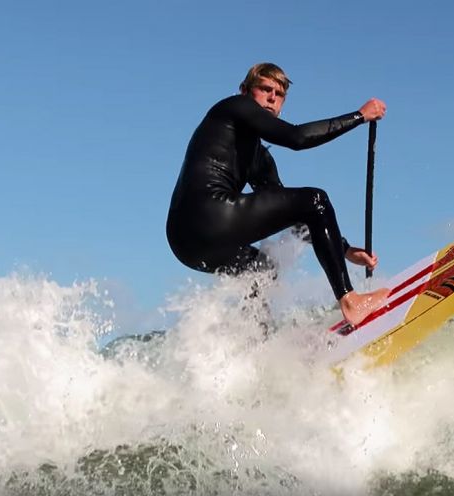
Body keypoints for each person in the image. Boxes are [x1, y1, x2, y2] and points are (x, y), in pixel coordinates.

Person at [166, 62, 389, 326]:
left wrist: (346, 250)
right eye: (265, 89)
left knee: (261, 269)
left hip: (185, 243)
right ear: (245, 91)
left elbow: (293, 215)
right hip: (207, 215)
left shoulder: (259, 159)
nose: (272, 97)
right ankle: (351, 301)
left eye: (279, 94)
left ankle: (255, 342)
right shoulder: (233, 107)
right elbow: (296, 138)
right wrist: (359, 116)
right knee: (315, 199)